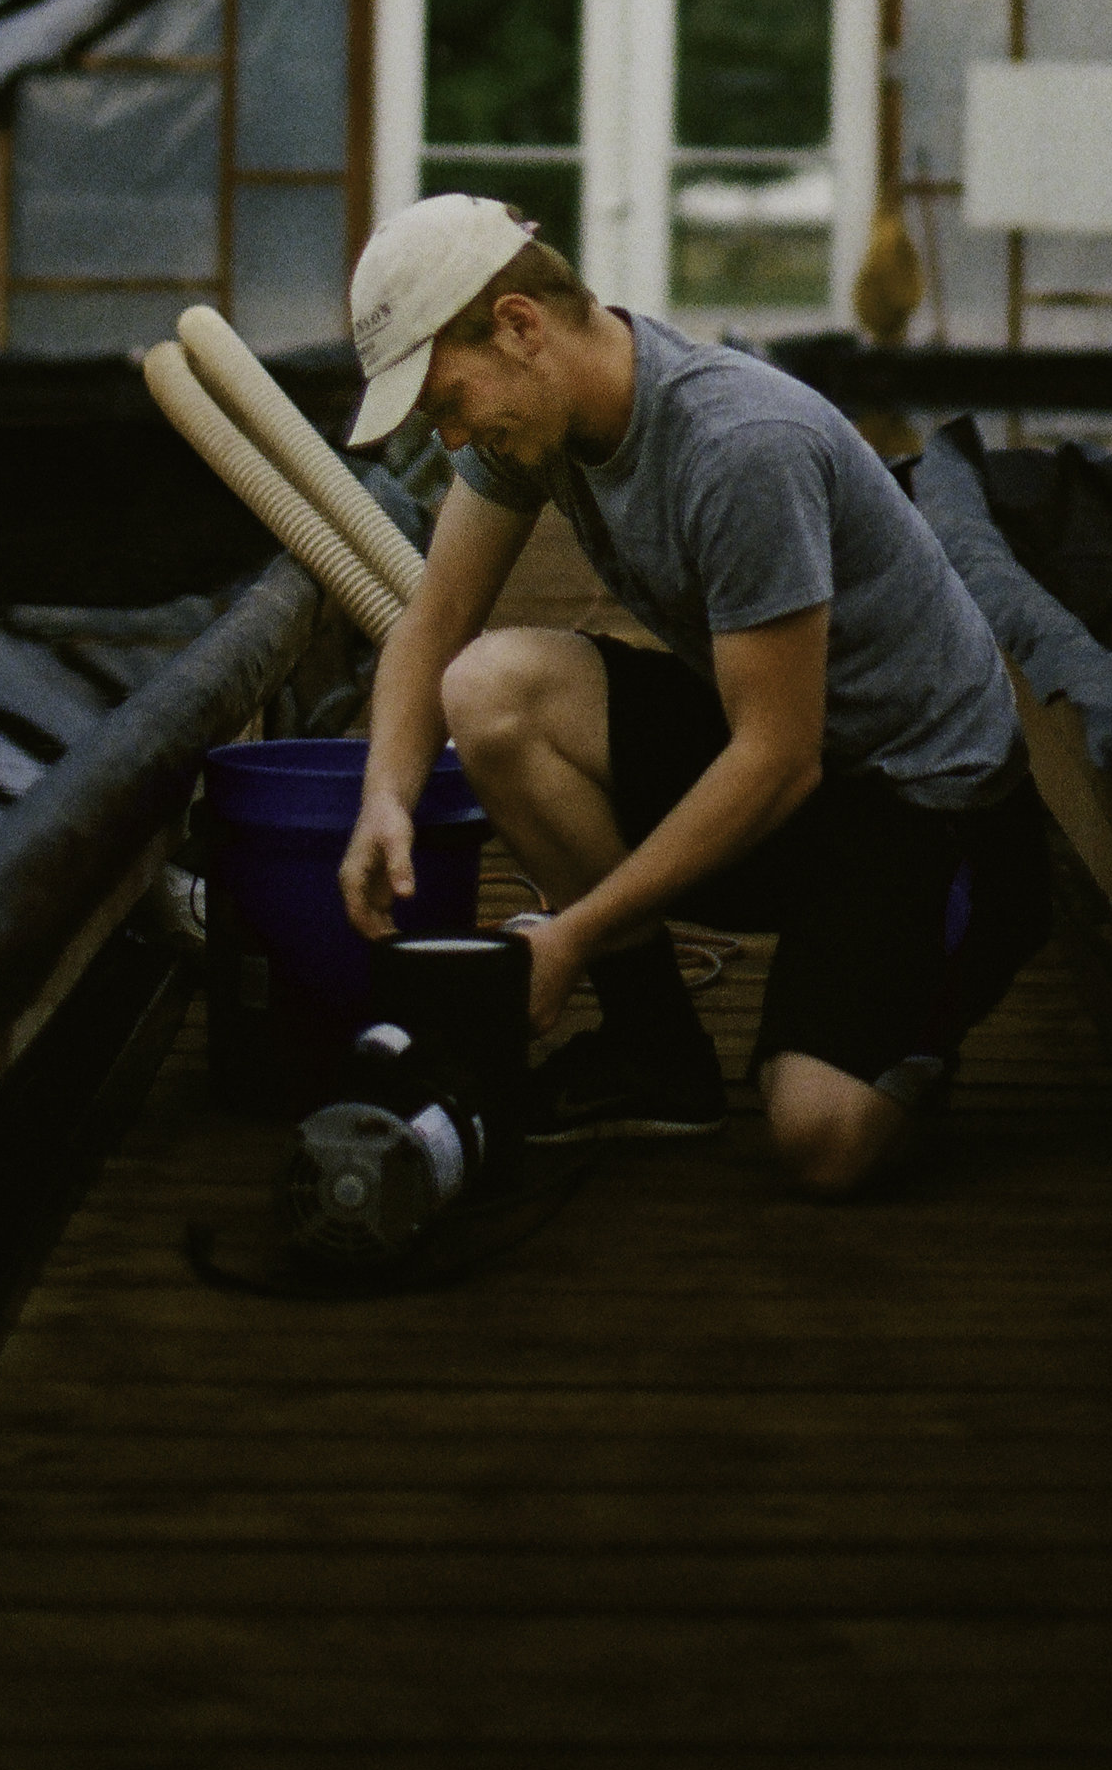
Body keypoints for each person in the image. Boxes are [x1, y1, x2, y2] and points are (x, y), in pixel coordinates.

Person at [338, 191, 1049, 1193]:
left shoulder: (737, 446)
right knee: (492, 691)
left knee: (819, 1139)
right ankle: (656, 1055)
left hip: (926, 805)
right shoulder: (534, 423)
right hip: (794, 781)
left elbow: (775, 757)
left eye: (447, 401)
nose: (452, 438)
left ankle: (919, 996)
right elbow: (433, 623)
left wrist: (568, 936)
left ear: (517, 326)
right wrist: (383, 799)